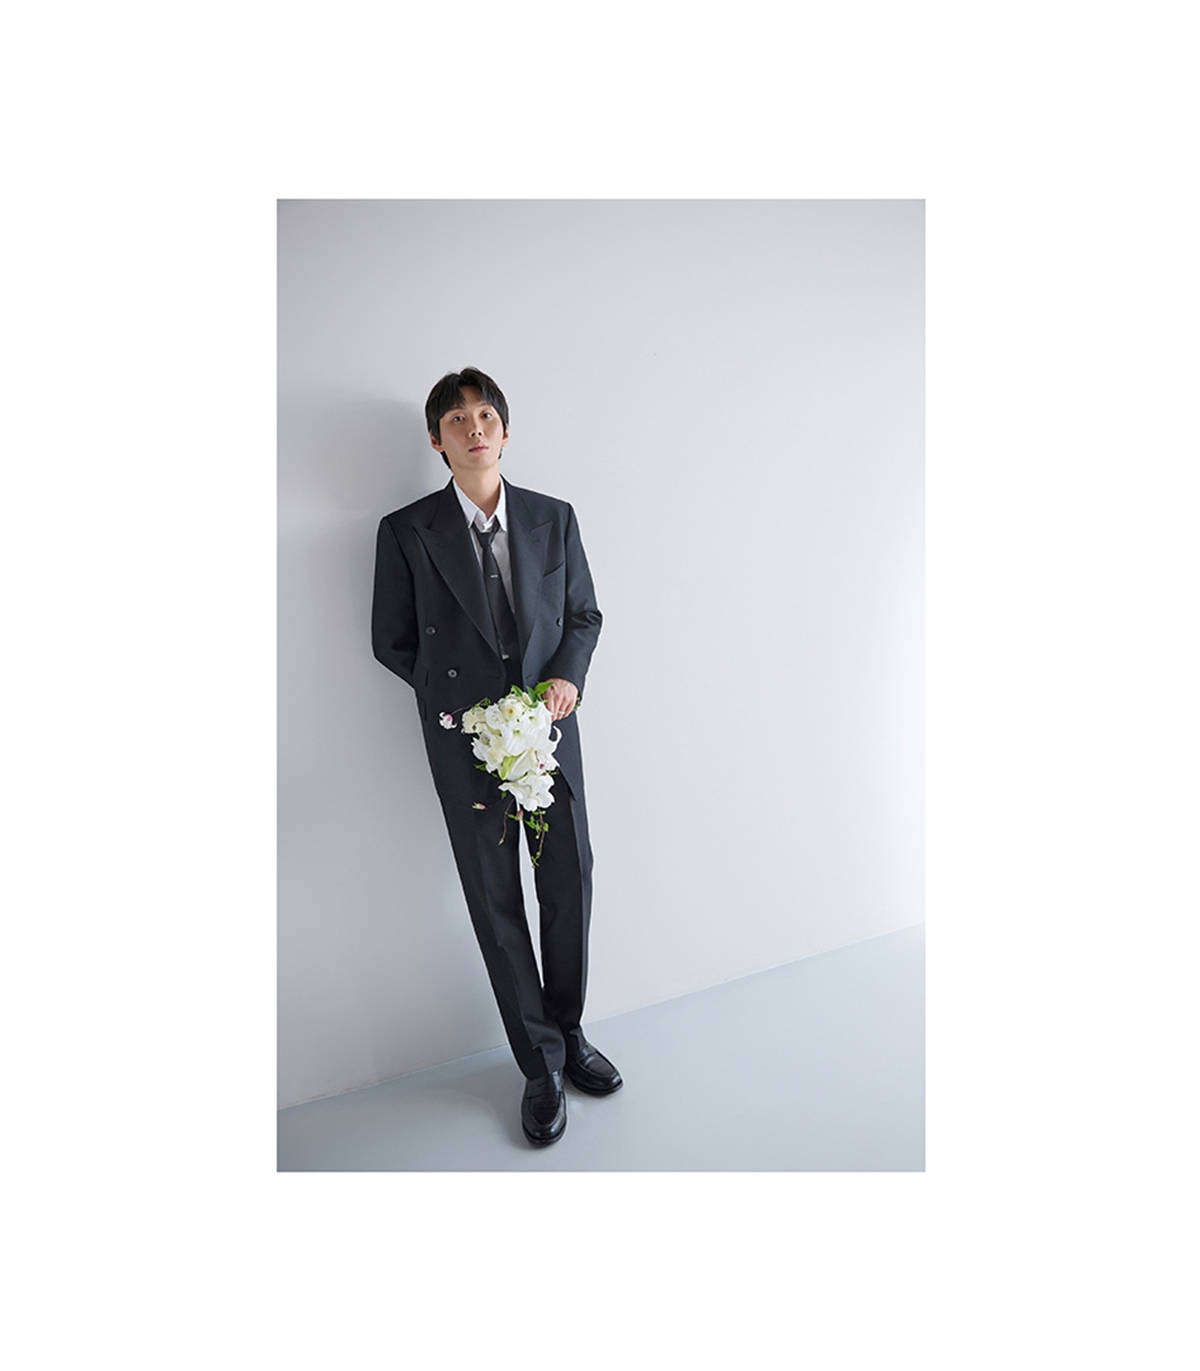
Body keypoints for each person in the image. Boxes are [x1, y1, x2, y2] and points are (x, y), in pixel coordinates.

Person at [371, 366, 621, 1146]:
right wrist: (464, 710)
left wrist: (566, 679)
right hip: (466, 741)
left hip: (549, 733)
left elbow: (583, 614)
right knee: (495, 897)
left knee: (569, 882)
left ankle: (569, 1033)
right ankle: (539, 1065)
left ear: (505, 432)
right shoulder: (407, 531)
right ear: (437, 440)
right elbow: (393, 641)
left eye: (485, 415)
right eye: (456, 419)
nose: (473, 428)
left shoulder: (553, 517)